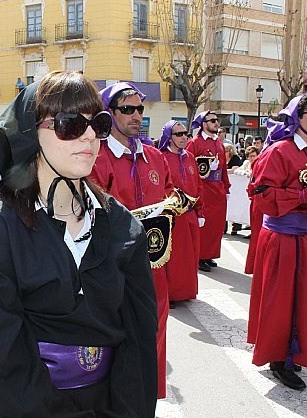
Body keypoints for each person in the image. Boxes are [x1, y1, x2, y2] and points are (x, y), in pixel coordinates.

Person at [0, 71, 158, 417]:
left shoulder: (123, 225)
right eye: (69, 124)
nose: (90, 136)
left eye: (99, 124)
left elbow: (139, 340)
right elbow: (0, 354)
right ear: (30, 133)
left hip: (107, 405)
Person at [247, 92, 307, 391]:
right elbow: (261, 196)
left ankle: (296, 351)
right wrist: (302, 196)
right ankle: (278, 359)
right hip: (283, 238)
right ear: (298, 117)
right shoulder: (278, 152)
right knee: (281, 302)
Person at [89, 81, 174, 399]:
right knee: (116, 339)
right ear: (109, 114)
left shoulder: (156, 157)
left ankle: (145, 396)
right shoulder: (97, 158)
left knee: (153, 332)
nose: (136, 115)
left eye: (140, 108)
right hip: (114, 269)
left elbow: (166, 196)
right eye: (127, 109)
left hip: (154, 268)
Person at [158, 120, 205, 301]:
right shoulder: (161, 157)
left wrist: (201, 211)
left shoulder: (190, 157)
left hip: (191, 214)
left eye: (185, 133)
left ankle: (186, 291)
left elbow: (198, 186)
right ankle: (171, 294)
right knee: (173, 257)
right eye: (179, 134)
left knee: (191, 255)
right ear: (169, 137)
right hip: (172, 216)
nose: (184, 137)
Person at [186, 110, 230, 271]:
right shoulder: (195, 143)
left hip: (217, 187)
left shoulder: (218, 142)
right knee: (204, 223)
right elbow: (188, 165)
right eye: (212, 121)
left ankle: (210, 254)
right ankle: (200, 256)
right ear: (204, 124)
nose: (216, 123)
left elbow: (224, 166)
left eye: (217, 120)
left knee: (216, 225)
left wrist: (227, 186)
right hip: (204, 187)